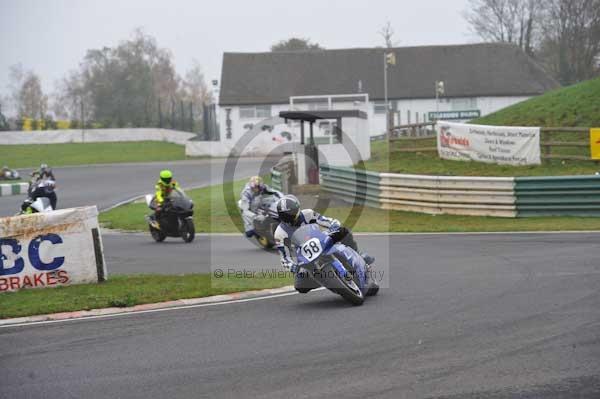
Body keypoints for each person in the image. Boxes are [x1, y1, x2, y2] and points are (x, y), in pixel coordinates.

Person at [274, 195, 374, 293]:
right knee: (300, 286)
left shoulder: (308, 214)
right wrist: (294, 268)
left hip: (322, 241)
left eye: (292, 215)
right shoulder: (280, 233)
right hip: (305, 258)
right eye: (285, 217)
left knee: (344, 231)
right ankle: (328, 280)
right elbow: (284, 258)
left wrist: (334, 225)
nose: (290, 219)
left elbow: (326, 221)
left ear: (298, 209)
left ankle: (358, 254)